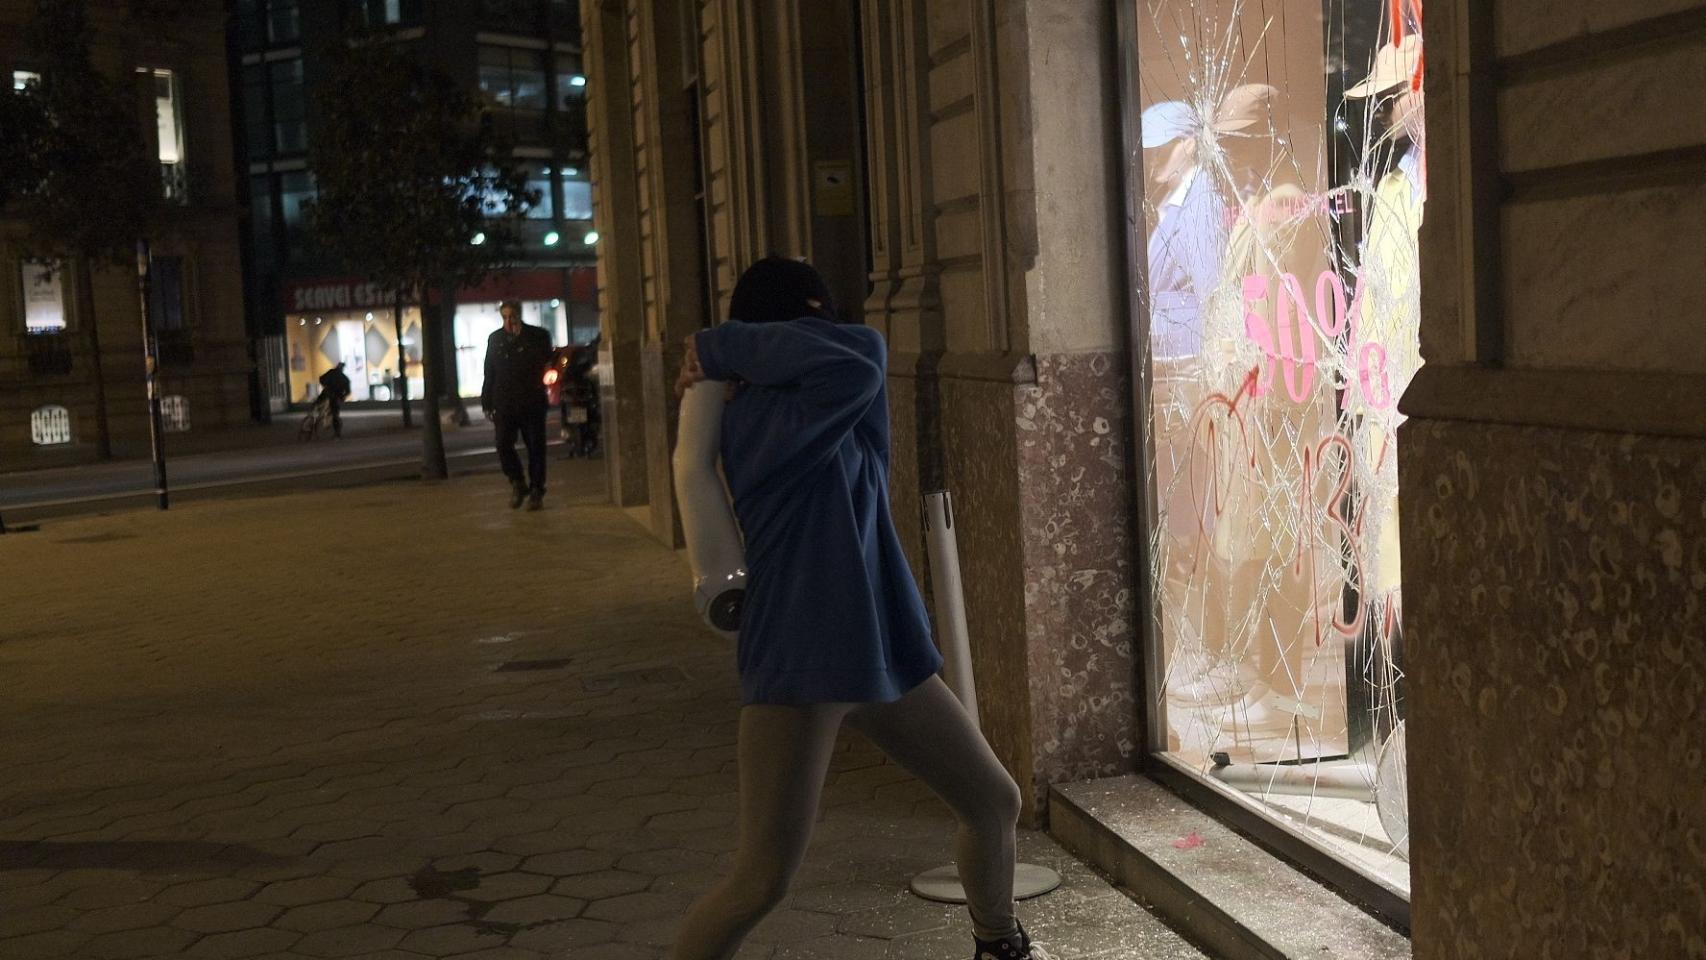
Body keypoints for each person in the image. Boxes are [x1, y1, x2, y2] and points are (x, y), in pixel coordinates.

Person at [672, 257, 1056, 960]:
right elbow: (860, 358)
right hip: (802, 659)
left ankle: (1000, 945)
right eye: (819, 320)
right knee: (761, 879)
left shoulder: (834, 407)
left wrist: (728, 349)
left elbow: (858, 370)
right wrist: (715, 347)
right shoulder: (764, 416)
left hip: (879, 652)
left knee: (992, 801)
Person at [481, 300, 554, 510]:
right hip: (504, 401)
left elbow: (545, 360)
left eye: (512, 316)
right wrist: (487, 402)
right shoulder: (496, 339)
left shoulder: (537, 336)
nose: (508, 321)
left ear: (519, 315)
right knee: (503, 444)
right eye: (504, 317)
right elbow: (489, 372)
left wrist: (523, 341)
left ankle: (537, 489)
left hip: (531, 400)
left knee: (535, 447)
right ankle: (517, 481)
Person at [317, 362, 353, 439]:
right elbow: (348, 391)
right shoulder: (344, 378)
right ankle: (337, 433)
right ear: (342, 369)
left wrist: (325, 386)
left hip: (327, 393)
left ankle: (316, 414)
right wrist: (342, 397)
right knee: (335, 415)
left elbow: (321, 379)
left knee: (318, 403)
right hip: (336, 397)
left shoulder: (331, 372)